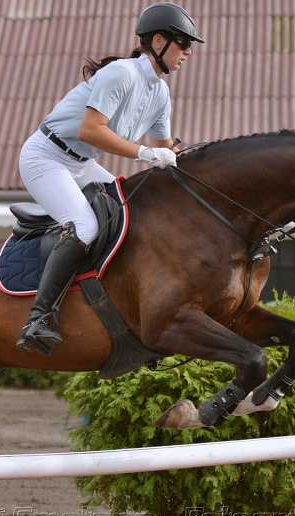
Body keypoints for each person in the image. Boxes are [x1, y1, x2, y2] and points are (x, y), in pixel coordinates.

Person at [16, 2, 203, 355]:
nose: (188, 51)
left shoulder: (160, 92)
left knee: (129, 211)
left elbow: (165, 150)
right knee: (85, 226)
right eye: (183, 42)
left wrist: (195, 164)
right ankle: (39, 319)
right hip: (46, 157)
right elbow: (90, 130)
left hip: (82, 164)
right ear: (158, 41)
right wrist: (144, 154)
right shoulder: (121, 74)